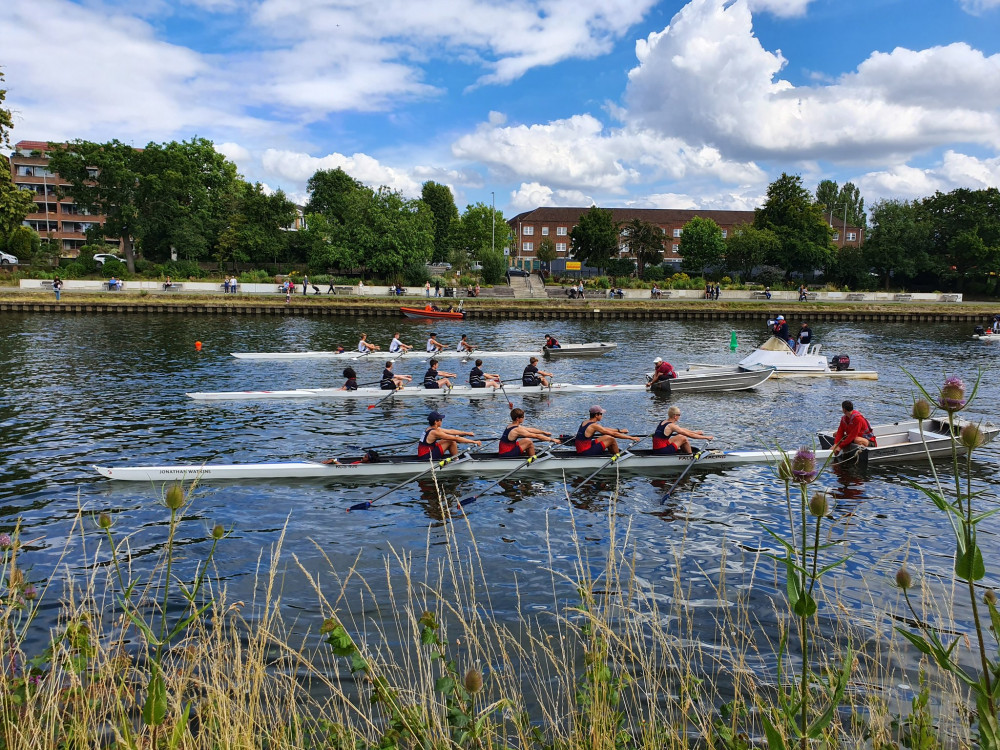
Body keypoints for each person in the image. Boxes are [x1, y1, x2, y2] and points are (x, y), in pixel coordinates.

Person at [574, 405, 640, 455]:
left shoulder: (585, 422)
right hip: (585, 452)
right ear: (597, 415)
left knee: (607, 437)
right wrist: (631, 438)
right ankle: (618, 458)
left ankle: (612, 454)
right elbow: (613, 434)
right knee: (612, 439)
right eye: (601, 414)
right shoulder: (594, 425)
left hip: (582, 448)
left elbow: (605, 429)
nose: (602, 416)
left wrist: (620, 431)